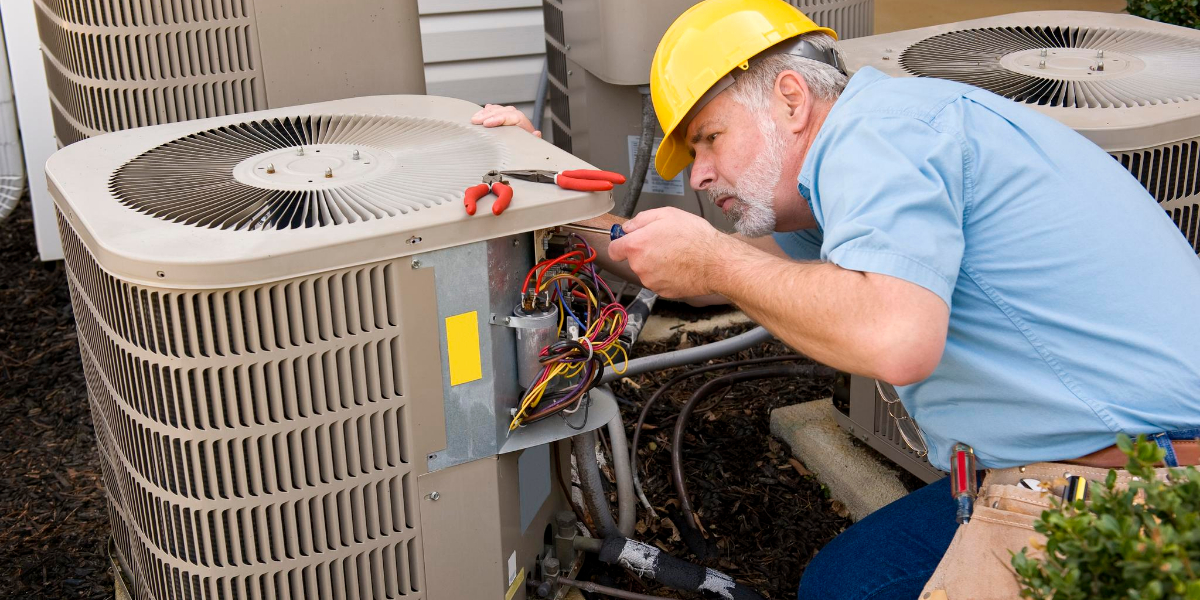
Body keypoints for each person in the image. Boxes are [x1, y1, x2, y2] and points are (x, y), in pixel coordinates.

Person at [473, 0, 1200, 597]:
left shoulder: (878, 136)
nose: (698, 175)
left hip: (1140, 483)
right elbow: (695, 268)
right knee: (845, 584)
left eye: (709, 139)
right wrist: (546, 187)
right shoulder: (863, 156)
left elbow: (893, 338)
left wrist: (716, 258)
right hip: (1080, 457)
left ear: (790, 98)